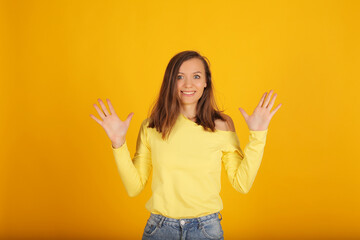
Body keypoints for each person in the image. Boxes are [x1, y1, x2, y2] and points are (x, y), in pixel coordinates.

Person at [90, 50, 282, 240]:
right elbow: (134, 187)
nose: (188, 84)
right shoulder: (151, 127)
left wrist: (258, 135)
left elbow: (242, 184)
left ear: (206, 81)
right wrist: (118, 143)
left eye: (196, 76)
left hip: (206, 230)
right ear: (170, 82)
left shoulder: (222, 125)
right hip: (160, 229)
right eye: (180, 77)